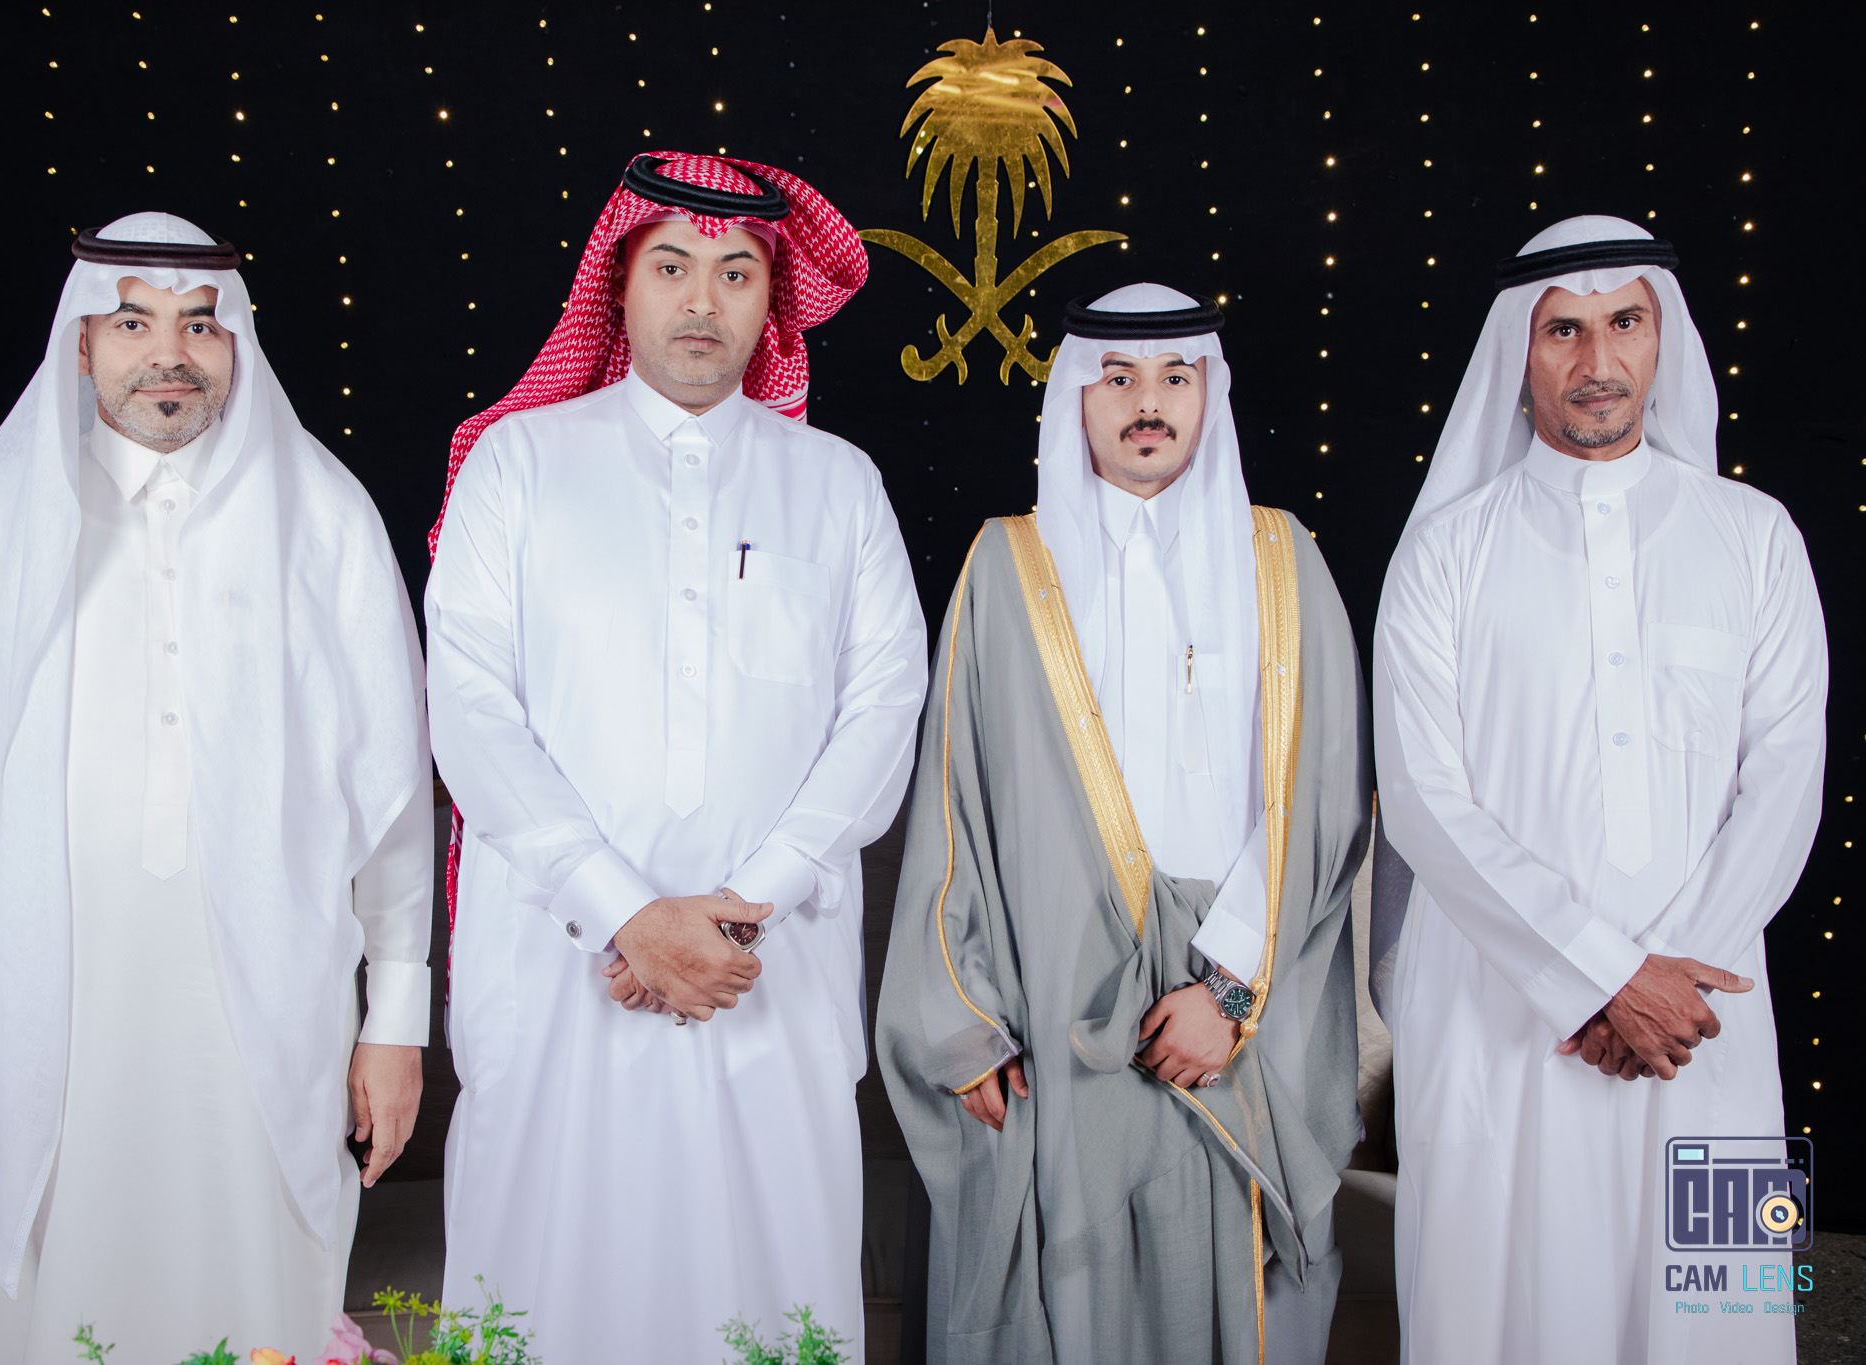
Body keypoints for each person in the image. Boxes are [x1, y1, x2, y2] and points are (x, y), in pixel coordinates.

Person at [0, 213, 433, 1364]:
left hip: (275, 1021)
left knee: (262, 1307)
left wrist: (395, 1024)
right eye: (132, 324)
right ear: (81, 346)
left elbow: (391, 809)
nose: (168, 354)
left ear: (238, 346)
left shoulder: (323, 521)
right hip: (46, 1028)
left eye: (199, 325)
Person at [426, 152, 928, 1362]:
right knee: (549, 1288)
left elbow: (882, 710)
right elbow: (470, 712)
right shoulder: (517, 464)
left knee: (759, 1290)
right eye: (671, 267)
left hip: (764, 971)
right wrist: (626, 915)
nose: (702, 300)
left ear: (772, 301)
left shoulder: (837, 484)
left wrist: (741, 909)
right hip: (562, 968)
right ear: (619, 285)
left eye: (736, 272)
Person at [877, 284, 1369, 1364]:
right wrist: (962, 1021)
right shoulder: (1005, 565)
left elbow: (1327, 794)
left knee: (1229, 1280)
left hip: (1233, 1006)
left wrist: (1228, 991)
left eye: (1174, 377)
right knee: (1071, 1283)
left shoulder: (1283, 558)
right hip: (1054, 1001)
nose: (1148, 402)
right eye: (1119, 377)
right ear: (1075, 398)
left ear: (1208, 394)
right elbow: (953, 805)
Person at [1372, 216, 1825, 1363]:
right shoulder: (1444, 554)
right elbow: (1422, 798)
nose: (1596, 360)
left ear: (1661, 337)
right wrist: (1603, 976)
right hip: (1501, 1015)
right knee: (1505, 1312)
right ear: (1516, 354)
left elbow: (1783, 776)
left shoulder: (1754, 537)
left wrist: (1668, 982)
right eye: (1561, 330)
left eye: (1622, 322)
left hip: (1704, 1017)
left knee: (1714, 1307)